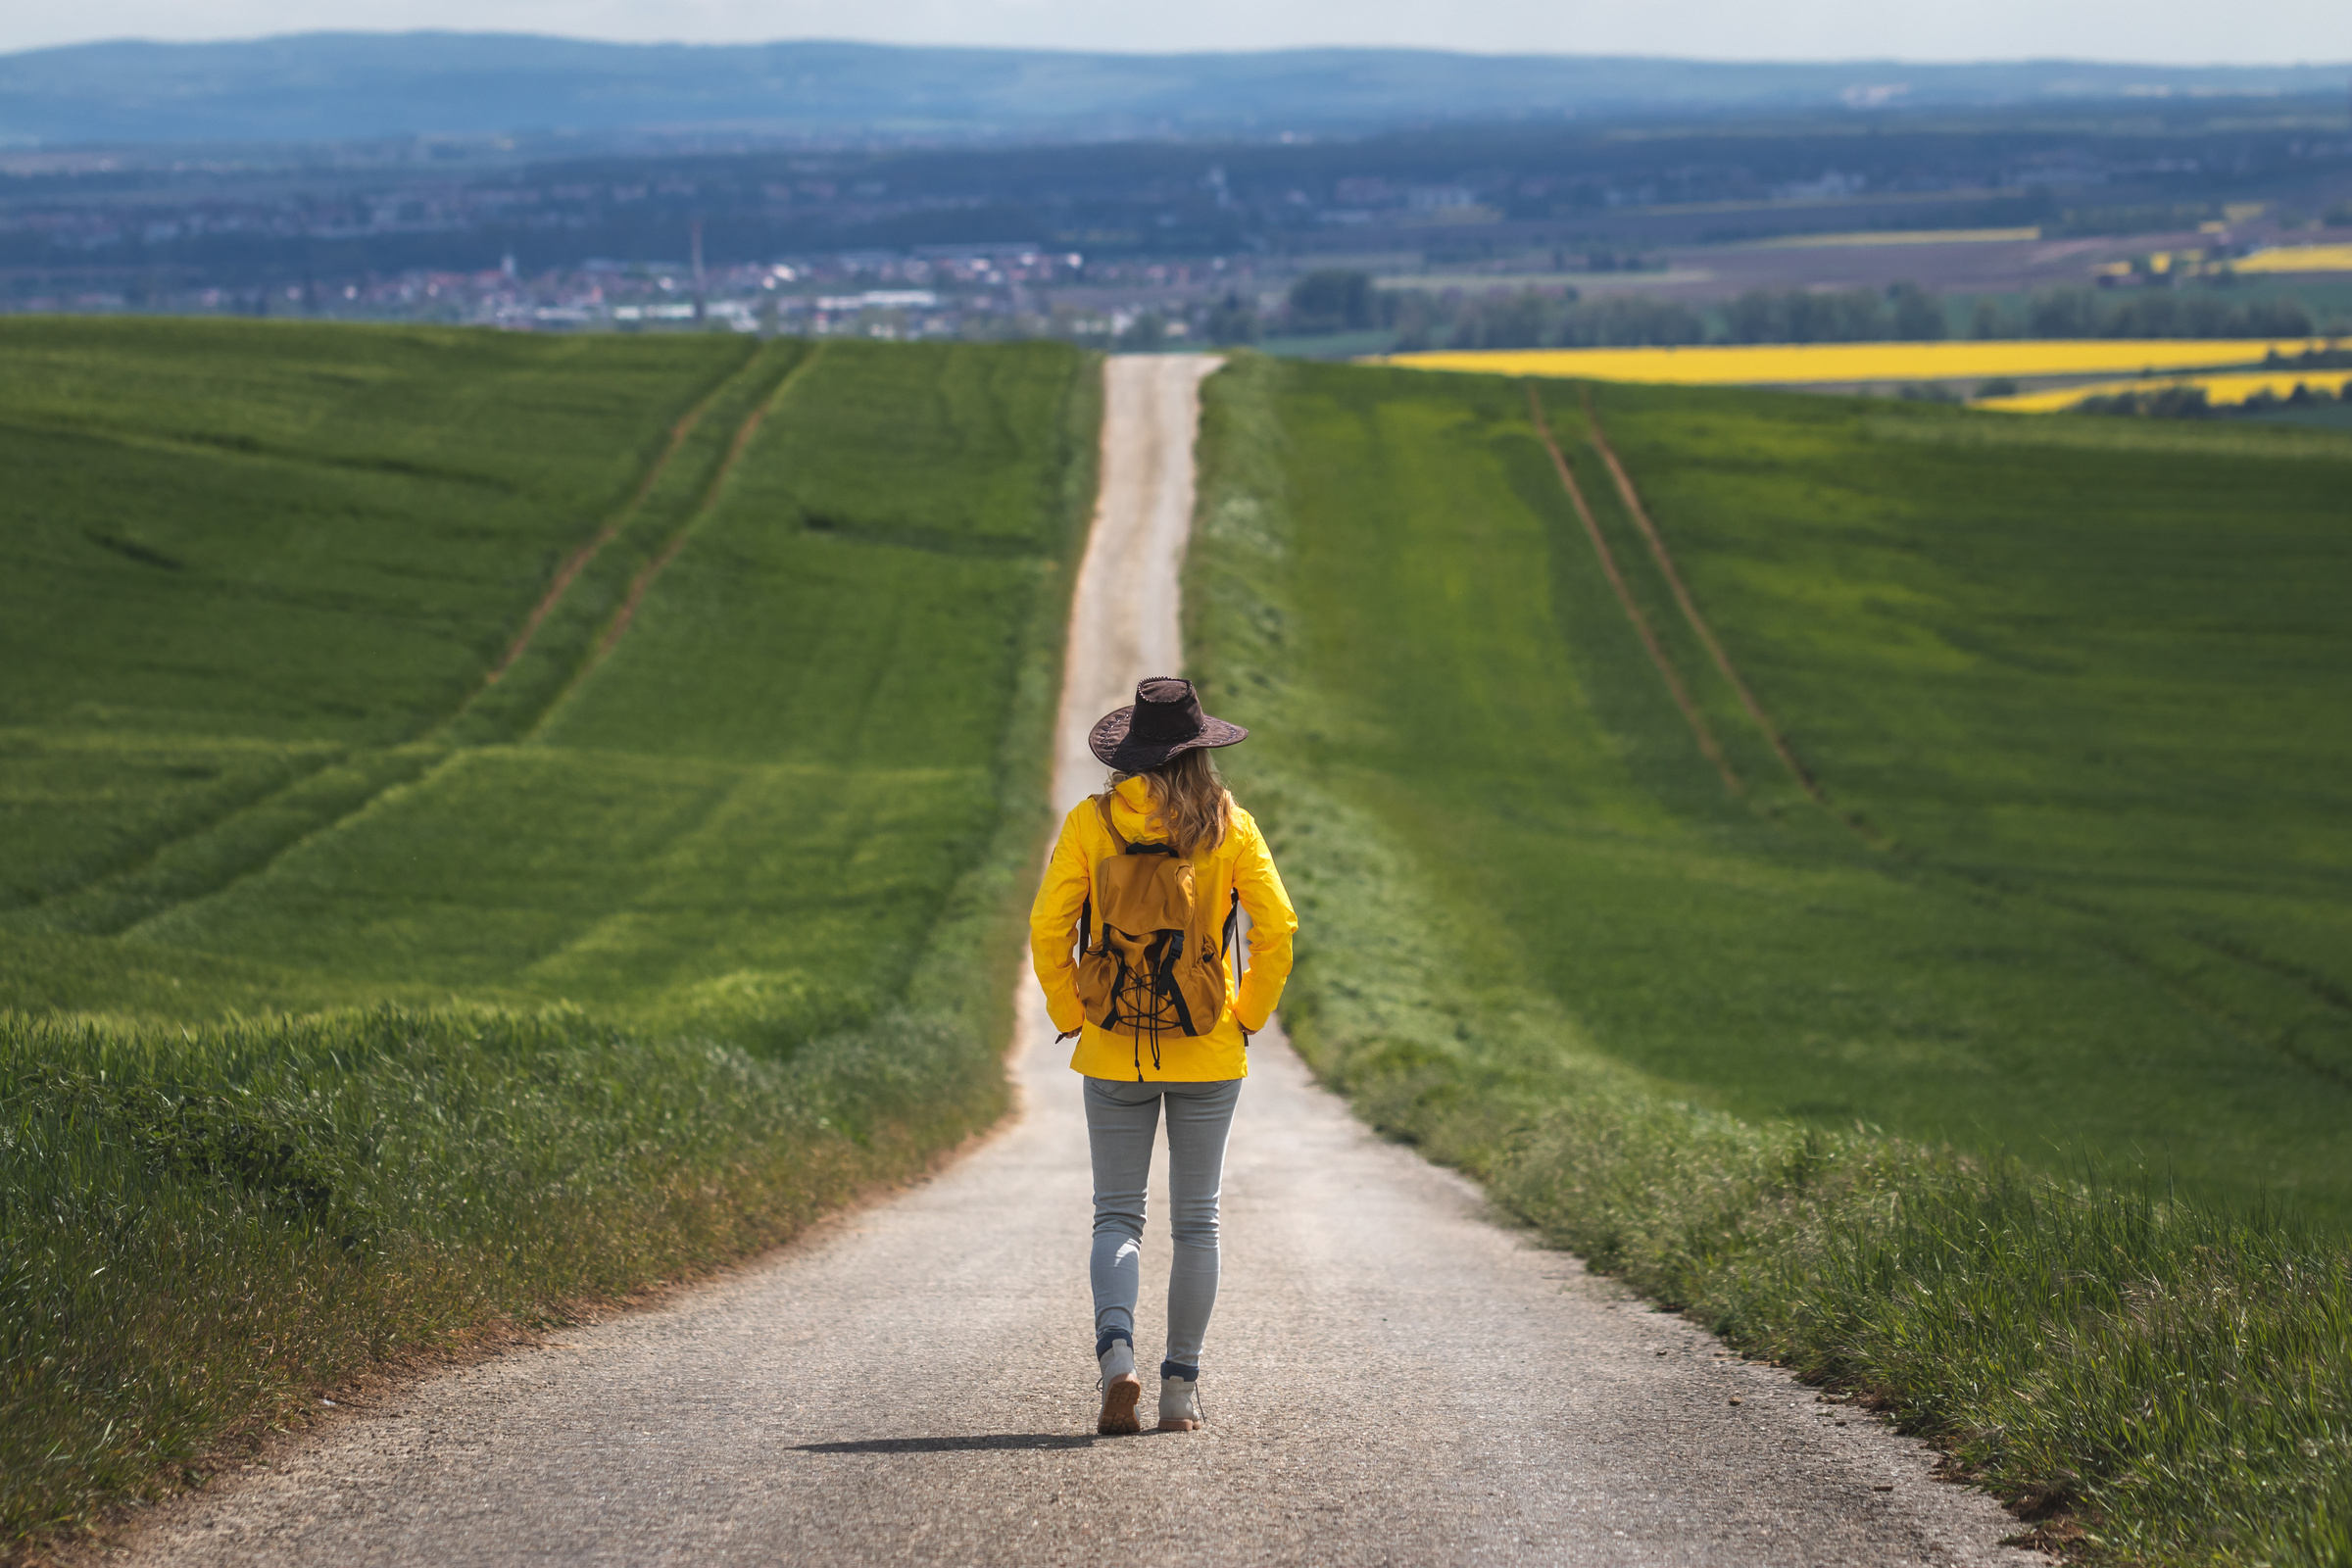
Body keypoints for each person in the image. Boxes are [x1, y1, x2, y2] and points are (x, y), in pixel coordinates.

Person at [1029, 676, 1297, 1436]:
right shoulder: (1229, 825)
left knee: (1117, 1215)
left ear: (1131, 753)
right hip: (1208, 1048)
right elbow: (1277, 930)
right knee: (1198, 1223)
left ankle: (1118, 1360)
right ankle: (1180, 1389)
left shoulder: (1092, 822)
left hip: (1113, 1046)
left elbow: (1050, 929)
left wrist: (1072, 1014)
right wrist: (1245, 1016)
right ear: (1201, 751)